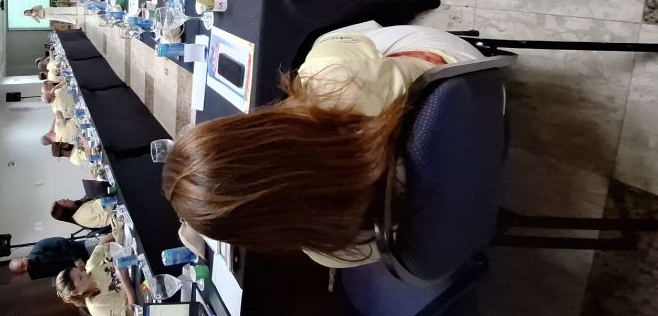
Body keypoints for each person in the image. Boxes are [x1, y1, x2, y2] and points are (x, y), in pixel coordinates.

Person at [161, 23, 484, 268]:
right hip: (475, 94)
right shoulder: (327, 78)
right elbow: (424, 61)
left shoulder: (329, 250)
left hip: (463, 210)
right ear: (245, 131)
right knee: (349, 46)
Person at [54, 239, 137, 316]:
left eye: (81, 270)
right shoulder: (97, 306)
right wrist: (125, 281)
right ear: (76, 292)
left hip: (136, 266)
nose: (85, 273)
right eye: (80, 278)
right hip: (140, 293)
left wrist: (118, 238)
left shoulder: (91, 266)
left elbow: (104, 242)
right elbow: (132, 312)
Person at [7, 236, 92, 280]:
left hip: (85, 249)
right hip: (87, 267)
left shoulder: (39, 246)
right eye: (22, 271)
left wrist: (76, 259)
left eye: (22, 265)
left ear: (23, 257)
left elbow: (60, 241)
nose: (25, 269)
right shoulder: (35, 273)